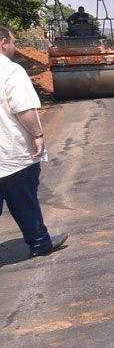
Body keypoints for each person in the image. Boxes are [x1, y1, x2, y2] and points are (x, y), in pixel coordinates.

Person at [0, 26, 68, 257]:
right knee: (24, 201)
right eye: (13, 41)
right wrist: (38, 135)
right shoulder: (10, 70)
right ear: (3, 43)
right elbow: (23, 108)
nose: (14, 46)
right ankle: (39, 243)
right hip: (11, 154)